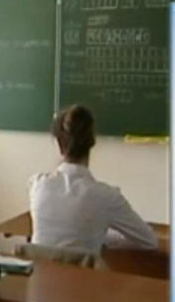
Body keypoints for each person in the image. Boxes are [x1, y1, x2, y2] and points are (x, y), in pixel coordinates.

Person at [29, 104, 158, 254]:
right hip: (84, 270)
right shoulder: (107, 196)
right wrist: (102, 237)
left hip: (40, 269)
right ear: (92, 141)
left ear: (58, 144)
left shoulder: (37, 185)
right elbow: (150, 241)